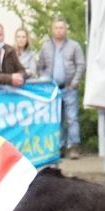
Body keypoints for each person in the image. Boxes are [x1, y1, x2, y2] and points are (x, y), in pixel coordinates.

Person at [35, 18, 86, 158]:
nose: (59, 30)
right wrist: (44, 81)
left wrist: (75, 82)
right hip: (52, 90)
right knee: (56, 119)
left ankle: (73, 147)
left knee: (72, 118)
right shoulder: (45, 46)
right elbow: (40, 65)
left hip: (69, 87)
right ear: (52, 30)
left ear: (66, 30)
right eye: (56, 28)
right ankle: (59, 146)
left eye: (61, 28)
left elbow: (81, 64)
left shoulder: (74, 46)